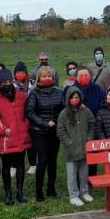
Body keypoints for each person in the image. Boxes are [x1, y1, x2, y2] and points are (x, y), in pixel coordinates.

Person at [0, 69, 32, 205]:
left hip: (21, 136)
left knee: (20, 165)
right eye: (4, 82)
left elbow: (27, 113)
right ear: (0, 83)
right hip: (6, 138)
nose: (7, 84)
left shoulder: (21, 96)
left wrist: (25, 127)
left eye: (9, 81)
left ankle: (20, 192)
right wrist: (3, 130)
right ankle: (8, 193)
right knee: (6, 166)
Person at [26, 66, 65, 202]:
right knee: (42, 160)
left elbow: (63, 108)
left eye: (49, 76)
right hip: (39, 132)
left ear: (53, 78)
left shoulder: (59, 92)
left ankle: (51, 187)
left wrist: (57, 121)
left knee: (52, 160)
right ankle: (39, 190)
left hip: (54, 132)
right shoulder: (34, 93)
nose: (47, 78)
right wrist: (44, 123)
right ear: (39, 78)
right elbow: (30, 112)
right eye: (44, 76)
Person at [56, 86, 97, 207]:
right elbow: (60, 130)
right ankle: (73, 195)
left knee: (84, 172)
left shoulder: (86, 111)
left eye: (77, 97)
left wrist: (89, 139)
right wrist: (69, 142)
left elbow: (92, 125)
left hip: (84, 148)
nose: (75, 99)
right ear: (68, 99)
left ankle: (84, 192)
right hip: (71, 150)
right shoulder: (64, 113)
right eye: (73, 98)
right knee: (72, 174)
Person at [68, 67, 106, 177]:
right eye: (81, 75)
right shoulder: (72, 89)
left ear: (90, 76)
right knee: (80, 152)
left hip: (93, 124)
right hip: (77, 126)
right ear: (76, 77)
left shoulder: (96, 88)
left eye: (86, 75)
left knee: (92, 150)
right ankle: (79, 177)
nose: (84, 77)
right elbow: (66, 103)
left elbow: (103, 102)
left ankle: (92, 176)